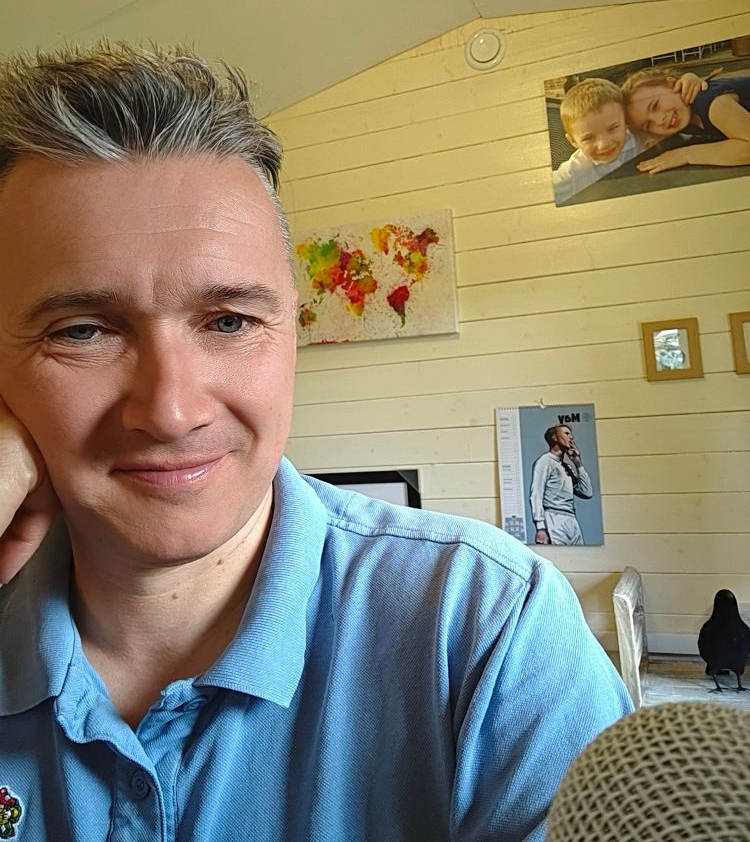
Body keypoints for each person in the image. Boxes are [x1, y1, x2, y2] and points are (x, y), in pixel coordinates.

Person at [0, 43, 632, 842]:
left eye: (230, 321)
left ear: (291, 332)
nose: (170, 410)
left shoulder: (486, 629)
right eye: (82, 330)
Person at [552, 74, 704, 203]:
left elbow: (674, 114)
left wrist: (689, 79)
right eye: (589, 138)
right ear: (572, 141)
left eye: (613, 128)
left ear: (626, 124)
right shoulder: (573, 173)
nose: (604, 144)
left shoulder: (643, 136)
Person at [623, 66, 750, 175]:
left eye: (655, 106)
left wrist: (685, 155)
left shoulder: (710, 102)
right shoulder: (687, 116)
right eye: (648, 125)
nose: (659, 120)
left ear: (674, 84)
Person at [530, 426, 592, 546]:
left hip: (572, 520)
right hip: (554, 518)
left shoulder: (567, 467)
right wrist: (540, 527)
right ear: (555, 437)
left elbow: (587, 492)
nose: (571, 437)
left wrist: (577, 463)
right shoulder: (544, 461)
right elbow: (536, 494)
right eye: (567, 434)